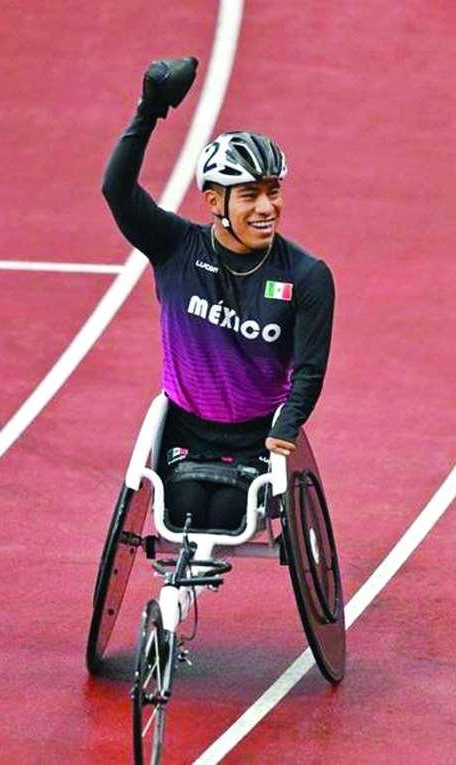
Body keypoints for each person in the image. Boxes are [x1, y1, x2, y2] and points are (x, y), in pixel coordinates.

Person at [102, 57, 334, 533]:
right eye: (250, 195)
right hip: (185, 430)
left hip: (257, 436)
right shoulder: (175, 248)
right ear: (214, 201)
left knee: (229, 516)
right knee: (183, 512)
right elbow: (117, 192)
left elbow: (309, 369)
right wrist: (149, 110)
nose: (267, 207)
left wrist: (287, 427)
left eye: (273, 191)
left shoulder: (307, 276)